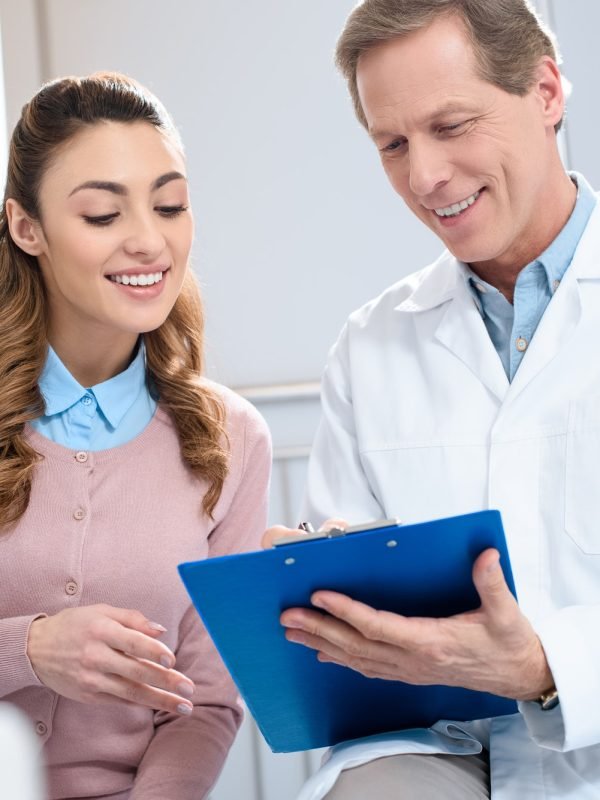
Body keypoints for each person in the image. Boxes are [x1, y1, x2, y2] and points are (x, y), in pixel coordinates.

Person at [264, 1, 600, 798]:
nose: (424, 177)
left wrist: (544, 666)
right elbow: (369, 680)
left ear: (547, 92)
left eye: (451, 125)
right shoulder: (372, 345)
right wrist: (326, 596)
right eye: (393, 144)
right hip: (449, 759)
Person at [0, 72, 271, 799]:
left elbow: (208, 702)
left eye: (170, 205)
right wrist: (28, 648)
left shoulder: (232, 439)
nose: (149, 241)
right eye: (101, 214)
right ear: (27, 228)